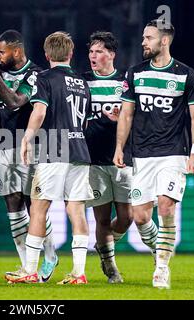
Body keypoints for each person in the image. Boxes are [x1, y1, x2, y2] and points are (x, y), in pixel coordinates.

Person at [114, 19, 194, 289]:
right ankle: (159, 250)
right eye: (144, 37)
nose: (144, 42)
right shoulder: (134, 73)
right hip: (142, 155)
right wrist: (120, 147)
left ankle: (162, 268)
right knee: (140, 217)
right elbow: (127, 114)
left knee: (166, 206)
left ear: (164, 41)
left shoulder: (185, 74)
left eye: (149, 37)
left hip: (173, 153)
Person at [9, 31, 93, 285]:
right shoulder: (82, 82)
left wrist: (27, 138)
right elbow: (86, 121)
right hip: (80, 149)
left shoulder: (44, 78)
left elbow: (40, 110)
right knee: (76, 210)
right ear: (71, 53)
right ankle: (79, 273)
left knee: (38, 207)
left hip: (54, 149)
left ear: (46, 55)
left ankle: (30, 270)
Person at [0, 29, 58, 282]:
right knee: (12, 203)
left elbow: (13, 102)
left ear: (17, 51)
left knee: (34, 203)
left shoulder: (35, 74)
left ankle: (51, 254)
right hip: (4, 145)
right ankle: (26, 266)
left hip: (30, 144)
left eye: (1, 52)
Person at [82, 31, 133, 284]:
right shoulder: (82, 82)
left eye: (99, 51)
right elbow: (78, 121)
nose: (93, 56)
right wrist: (103, 119)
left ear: (111, 55)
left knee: (127, 217)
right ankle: (111, 267)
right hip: (93, 159)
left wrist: (121, 118)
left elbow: (134, 116)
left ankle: (104, 246)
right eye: (91, 51)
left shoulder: (126, 81)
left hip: (122, 158)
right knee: (101, 218)